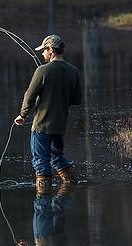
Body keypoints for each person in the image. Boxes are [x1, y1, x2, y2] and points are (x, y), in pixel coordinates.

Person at [13, 34, 81, 191]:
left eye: (44, 50)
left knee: (41, 163)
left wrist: (22, 115)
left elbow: (29, 96)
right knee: (57, 158)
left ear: (51, 50)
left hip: (42, 126)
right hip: (60, 126)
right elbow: (77, 99)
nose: (42, 53)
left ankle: (44, 203)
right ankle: (71, 189)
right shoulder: (74, 71)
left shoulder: (42, 71)